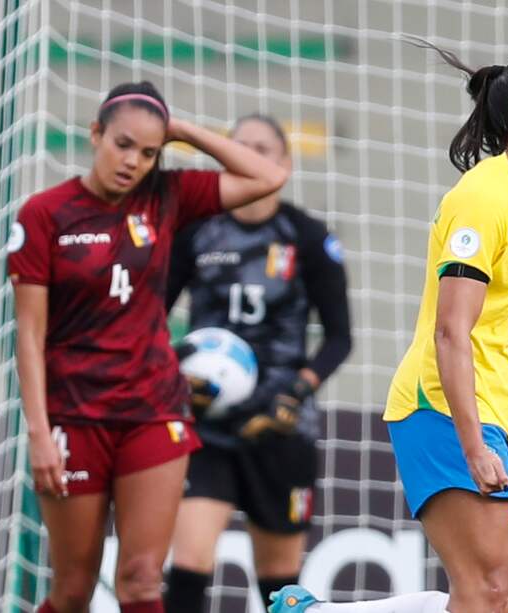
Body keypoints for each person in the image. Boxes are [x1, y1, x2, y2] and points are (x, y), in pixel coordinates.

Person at [269, 41, 508, 613]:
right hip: (443, 409)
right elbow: (451, 331)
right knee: (486, 589)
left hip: (502, 422)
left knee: (499, 600)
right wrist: (473, 446)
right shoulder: (483, 197)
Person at [8, 81, 288, 613]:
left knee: (140, 580)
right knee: (72, 591)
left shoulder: (165, 195)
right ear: (95, 134)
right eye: (123, 144)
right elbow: (29, 332)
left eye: (149, 152)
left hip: (153, 412)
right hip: (75, 417)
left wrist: (181, 131)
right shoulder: (45, 214)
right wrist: (39, 433)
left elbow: (269, 177)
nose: (133, 161)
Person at [163, 114, 353, 613]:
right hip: (206, 424)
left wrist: (297, 392)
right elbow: (152, 319)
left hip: (280, 424)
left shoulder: (306, 236)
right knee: (189, 562)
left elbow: (340, 339)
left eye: (262, 148)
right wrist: (175, 375)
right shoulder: (197, 232)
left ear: (284, 163)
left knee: (280, 587)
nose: (248, 155)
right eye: (239, 145)